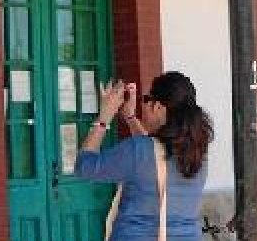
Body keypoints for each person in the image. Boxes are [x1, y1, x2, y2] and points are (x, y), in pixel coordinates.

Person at [75, 71, 214, 241]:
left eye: (147, 99)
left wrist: (104, 117)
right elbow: (155, 154)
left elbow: (84, 167)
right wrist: (130, 117)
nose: (144, 105)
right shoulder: (198, 152)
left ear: (158, 107)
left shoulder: (138, 150)